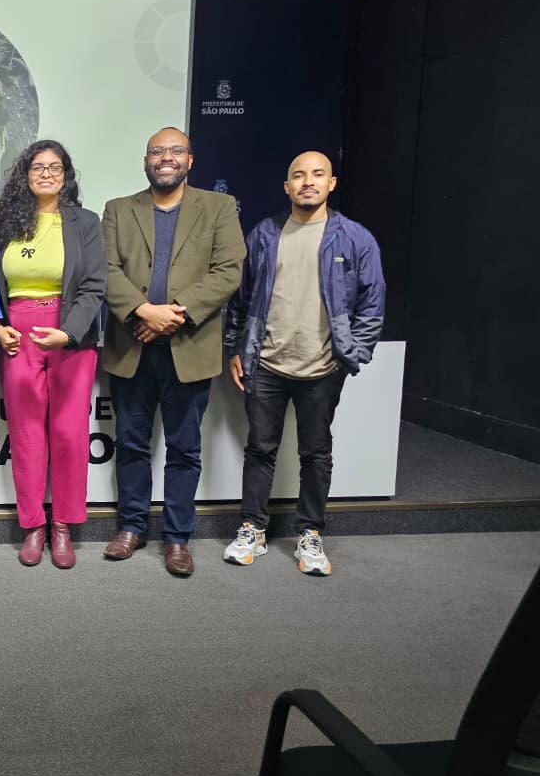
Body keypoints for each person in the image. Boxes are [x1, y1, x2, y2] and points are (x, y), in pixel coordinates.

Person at [223, 151, 385, 576]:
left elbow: (372, 303)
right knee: (260, 448)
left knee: (316, 454)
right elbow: (240, 299)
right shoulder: (264, 234)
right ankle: (253, 528)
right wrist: (236, 349)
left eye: (317, 174)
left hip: (322, 369)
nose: (307, 181)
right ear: (287, 186)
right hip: (266, 364)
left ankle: (310, 533)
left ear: (332, 183)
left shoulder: (355, 238)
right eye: (298, 175)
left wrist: (352, 354)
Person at [102, 127, 244, 578]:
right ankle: (131, 527)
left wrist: (174, 314)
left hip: (189, 347)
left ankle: (177, 537)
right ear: (146, 161)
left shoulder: (218, 207)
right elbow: (106, 269)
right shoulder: (119, 209)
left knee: (185, 448)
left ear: (190, 160)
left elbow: (228, 271)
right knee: (131, 444)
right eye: (157, 151)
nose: (166, 157)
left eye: (175, 150)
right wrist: (144, 311)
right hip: (132, 346)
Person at [0, 140, 104, 569]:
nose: (46, 174)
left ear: (66, 175)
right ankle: (34, 525)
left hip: (71, 334)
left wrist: (68, 333)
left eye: (55, 167)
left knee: (70, 434)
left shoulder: (85, 222)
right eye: (38, 167)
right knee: (27, 433)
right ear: (26, 174)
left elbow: (94, 286)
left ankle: (63, 526)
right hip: (17, 335)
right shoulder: (5, 222)